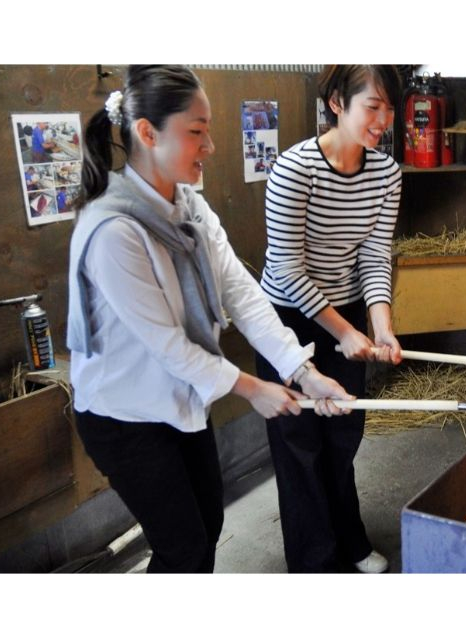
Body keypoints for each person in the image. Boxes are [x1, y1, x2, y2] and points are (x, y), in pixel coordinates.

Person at [67, 65, 353, 573]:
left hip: (180, 397)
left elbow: (242, 294)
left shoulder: (189, 207)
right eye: (196, 131)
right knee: (184, 547)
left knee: (207, 528)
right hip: (125, 414)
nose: (211, 146)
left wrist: (302, 371)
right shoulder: (114, 231)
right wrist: (253, 389)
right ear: (148, 133)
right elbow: (168, 346)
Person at [255, 65, 403, 573]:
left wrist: (380, 327)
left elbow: (375, 256)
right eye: (372, 106)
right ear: (337, 102)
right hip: (288, 319)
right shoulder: (294, 169)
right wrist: (344, 332)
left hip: (349, 312)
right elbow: (285, 269)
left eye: (389, 108)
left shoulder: (386, 174)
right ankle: (314, 564)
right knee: (300, 446)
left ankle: (350, 539)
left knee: (343, 435)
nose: (383, 120)